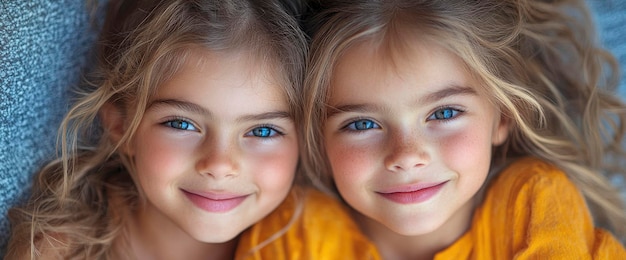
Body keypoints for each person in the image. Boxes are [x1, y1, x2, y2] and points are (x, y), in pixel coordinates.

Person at [5, 0, 378, 259]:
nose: (219, 164)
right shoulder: (57, 250)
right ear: (120, 126)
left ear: (304, 139)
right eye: (181, 124)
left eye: (263, 131)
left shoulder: (315, 243)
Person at [302, 0, 626, 258]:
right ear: (317, 135)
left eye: (444, 113)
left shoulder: (533, 204)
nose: (407, 156)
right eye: (362, 124)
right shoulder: (297, 233)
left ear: (502, 117)